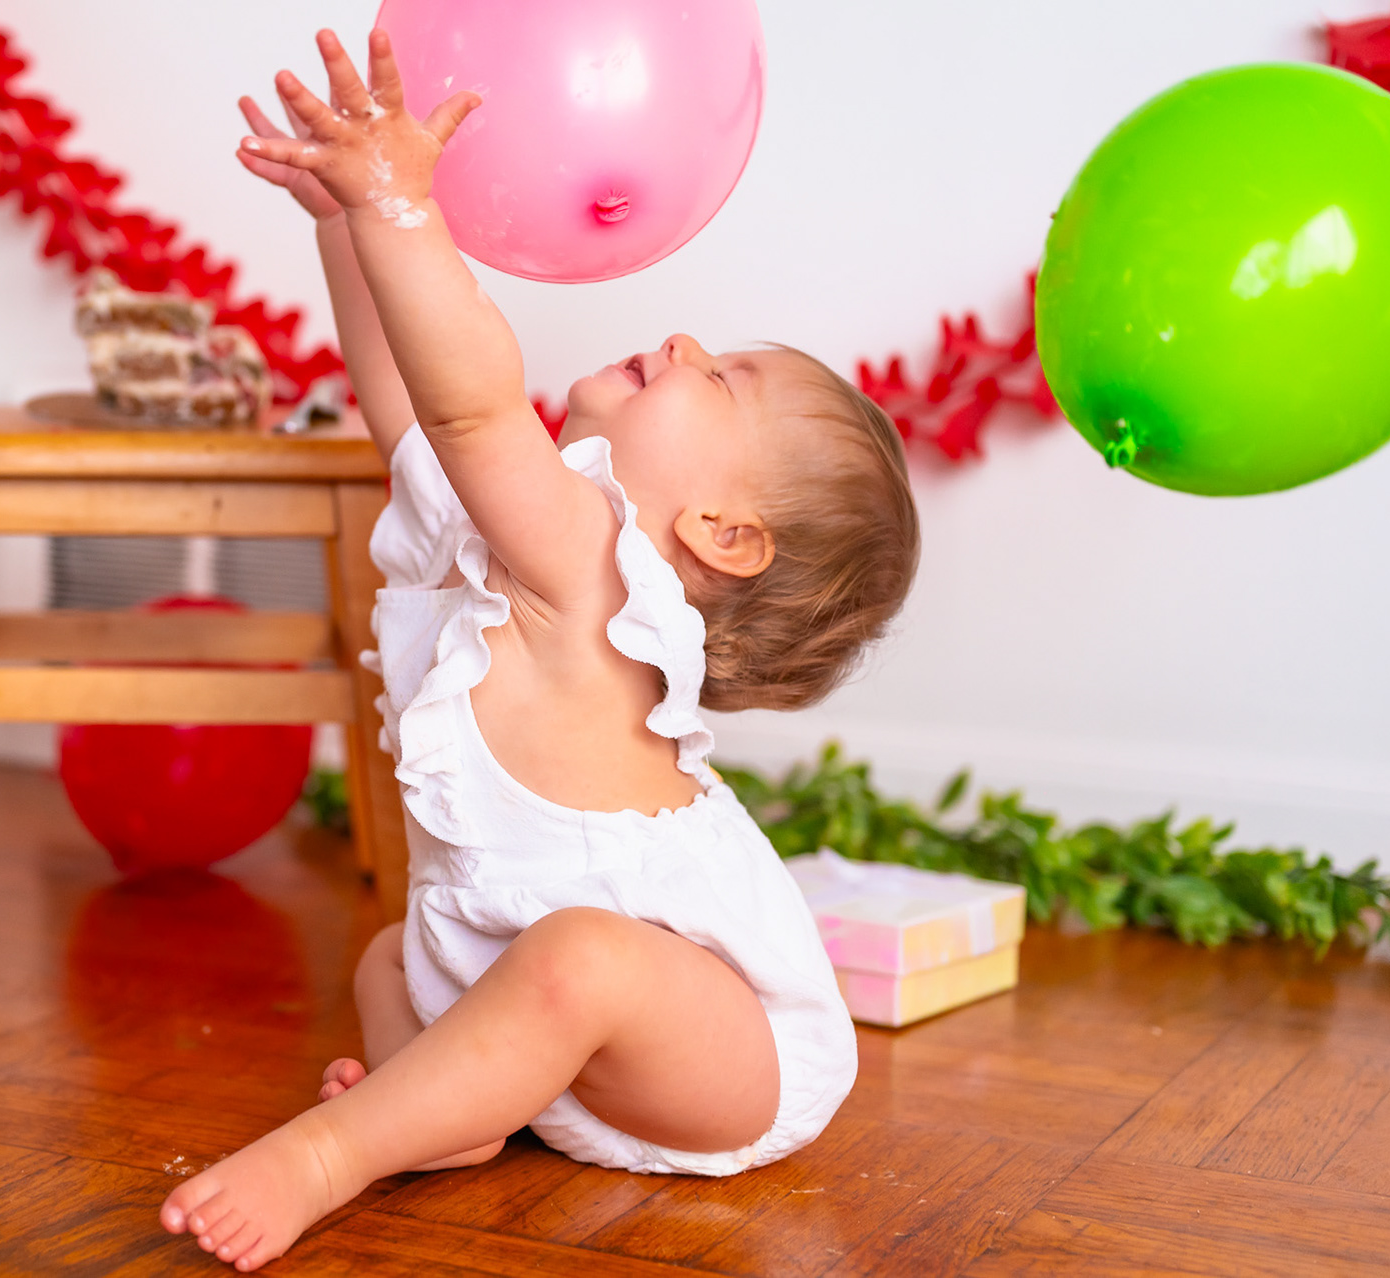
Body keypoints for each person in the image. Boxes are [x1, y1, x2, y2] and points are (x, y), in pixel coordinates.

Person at [160, 28, 919, 1271]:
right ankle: (447, 1115)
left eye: (718, 380)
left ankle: (335, 1151)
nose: (679, 341)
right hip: (532, 1015)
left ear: (721, 537)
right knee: (392, 958)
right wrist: (345, 225)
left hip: (719, 1063)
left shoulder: (597, 569)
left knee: (580, 960)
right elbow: (406, 401)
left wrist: (403, 204)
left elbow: (465, 399)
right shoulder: (506, 532)